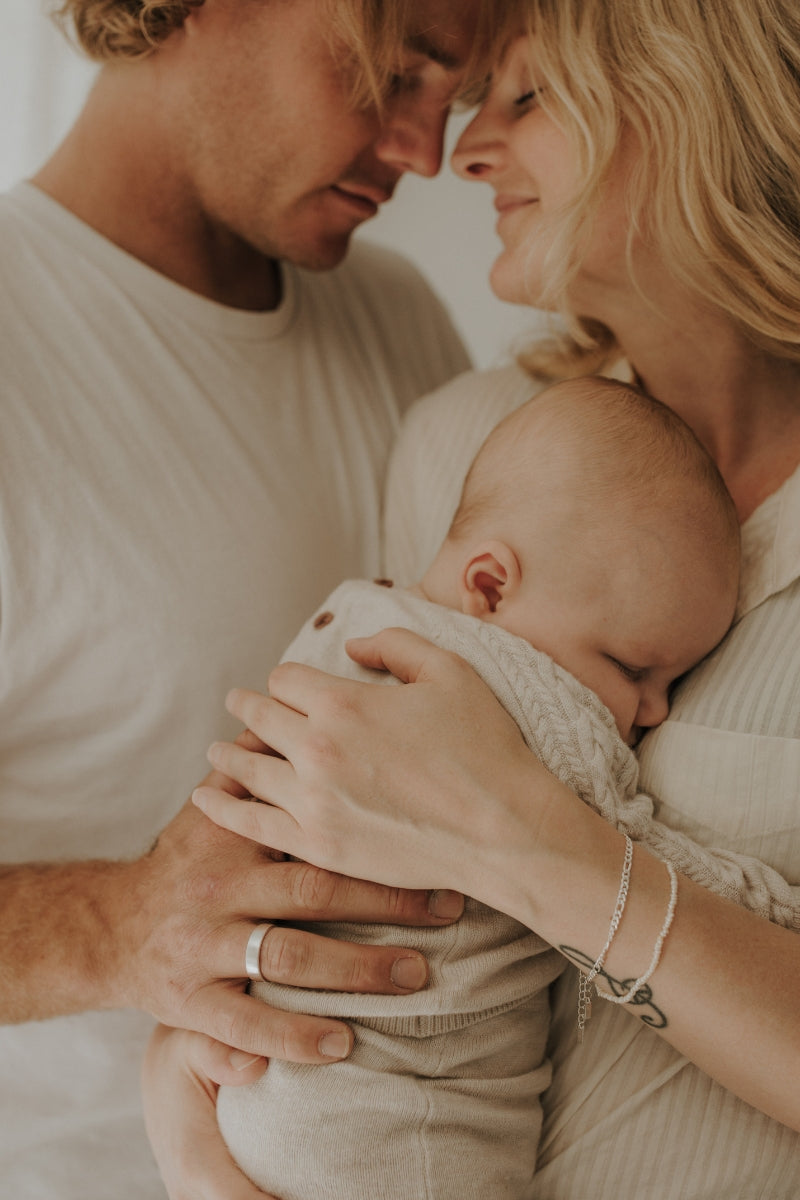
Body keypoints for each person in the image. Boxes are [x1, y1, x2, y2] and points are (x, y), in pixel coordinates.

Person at [172, 2, 800, 1197]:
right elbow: (327, 858)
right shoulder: (469, 441)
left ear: (693, 106)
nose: (458, 152)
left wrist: (541, 848)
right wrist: (192, 1120)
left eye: (524, 98)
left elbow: (469, 822)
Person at [0, 0, 515, 1195]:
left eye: (459, 94)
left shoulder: (402, 324)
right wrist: (114, 927)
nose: (422, 152)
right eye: (395, 72)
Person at [203, 376, 796, 1199]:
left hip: (268, 1091)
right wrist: (770, 907)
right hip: (410, 1125)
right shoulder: (539, 711)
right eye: (634, 670)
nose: (653, 711)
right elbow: (646, 852)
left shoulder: (352, 618)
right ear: (488, 587)